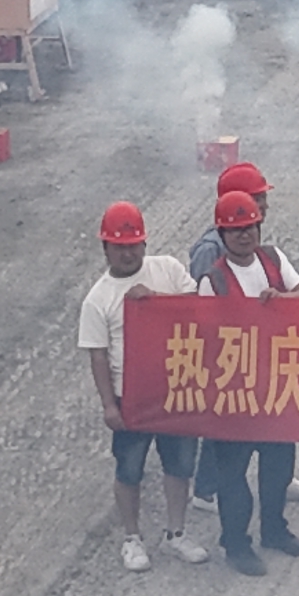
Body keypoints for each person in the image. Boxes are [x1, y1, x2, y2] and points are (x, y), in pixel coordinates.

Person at [80, 202, 207, 571]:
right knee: (129, 468)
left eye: (134, 244)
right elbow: (98, 356)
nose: (128, 251)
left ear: (145, 243)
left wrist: (156, 302)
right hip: (131, 396)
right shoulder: (98, 299)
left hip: (177, 386)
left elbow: (198, 306)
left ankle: (176, 533)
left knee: (180, 464)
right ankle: (132, 538)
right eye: (119, 246)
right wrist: (109, 405)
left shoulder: (166, 270)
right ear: (105, 248)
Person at [193, 185, 299, 573]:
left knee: (278, 465)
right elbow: (206, 338)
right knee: (233, 476)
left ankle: (275, 529)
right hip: (235, 393)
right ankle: (236, 543)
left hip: (277, 384)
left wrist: (282, 302)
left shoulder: (274, 259)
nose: (245, 234)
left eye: (251, 226)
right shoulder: (213, 280)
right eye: (236, 228)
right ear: (222, 235)